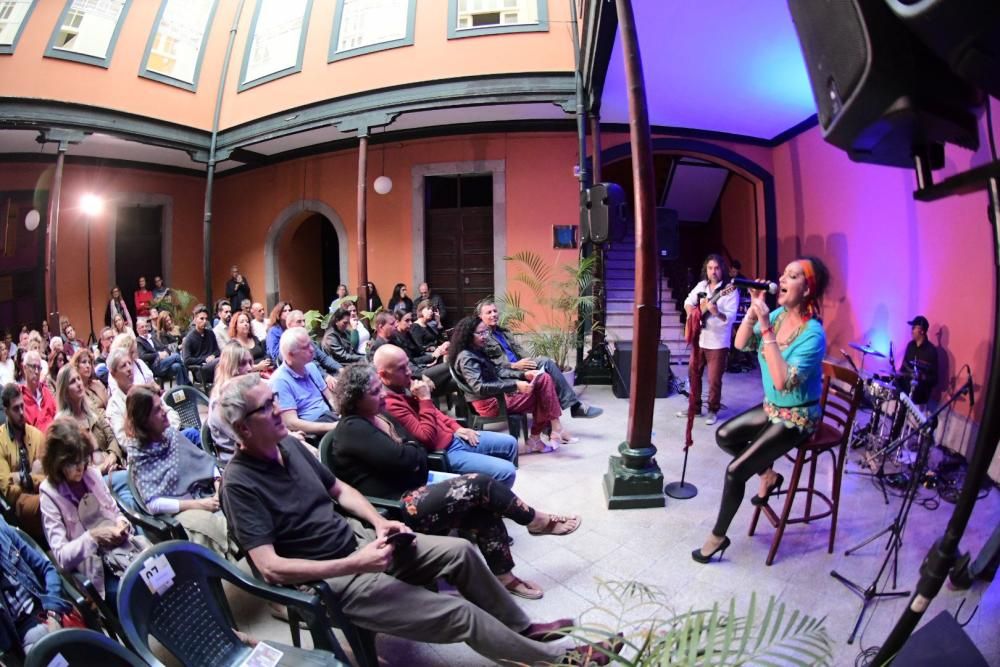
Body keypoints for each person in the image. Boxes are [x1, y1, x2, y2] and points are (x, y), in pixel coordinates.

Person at [216, 373, 619, 666]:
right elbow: (270, 568)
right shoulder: (239, 485)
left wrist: (378, 522)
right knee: (460, 615)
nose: (277, 412)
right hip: (335, 579)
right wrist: (357, 562)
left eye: (274, 401)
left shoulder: (290, 446)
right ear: (240, 428)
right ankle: (556, 660)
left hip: (362, 543)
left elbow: (339, 490)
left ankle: (523, 630)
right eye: (266, 407)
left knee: (460, 551)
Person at [330, 363, 580, 600]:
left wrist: (412, 452)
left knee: (482, 508)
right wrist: (413, 452)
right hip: (396, 507)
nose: (382, 396)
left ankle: (505, 576)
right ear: (355, 398)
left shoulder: (376, 418)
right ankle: (535, 520)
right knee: (479, 484)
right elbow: (412, 454)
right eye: (374, 392)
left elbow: (414, 454)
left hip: (413, 488)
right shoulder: (353, 428)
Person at [693, 257, 829, 564]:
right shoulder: (778, 315)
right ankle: (768, 474)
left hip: (798, 416)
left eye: (792, 276)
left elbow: (782, 382)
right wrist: (755, 314)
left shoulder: (813, 334)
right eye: (783, 272)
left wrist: (765, 326)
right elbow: (741, 344)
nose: (781, 278)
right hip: (773, 407)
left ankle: (717, 537)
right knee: (725, 435)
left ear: (807, 289)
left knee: (735, 471)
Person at [39, 418, 150, 603]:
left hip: (124, 551)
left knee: (165, 571)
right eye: (73, 463)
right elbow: (61, 557)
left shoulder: (91, 474)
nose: (81, 467)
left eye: (83, 459)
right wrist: (94, 537)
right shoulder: (49, 495)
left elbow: (115, 512)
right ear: (57, 463)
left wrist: (122, 524)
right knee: (139, 592)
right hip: (98, 572)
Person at [376, 345, 517, 486]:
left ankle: (493, 495)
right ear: (383, 374)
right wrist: (425, 399)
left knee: (510, 443)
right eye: (401, 368)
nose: (408, 372)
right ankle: (494, 501)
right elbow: (426, 438)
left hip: (453, 436)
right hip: (444, 452)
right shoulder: (389, 404)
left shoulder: (405, 385)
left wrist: (456, 427)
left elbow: (435, 413)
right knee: (506, 472)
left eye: (408, 365)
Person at [127, 387, 234, 559]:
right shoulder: (139, 453)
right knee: (208, 529)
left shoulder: (170, 435)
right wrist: (201, 505)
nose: (164, 412)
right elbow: (153, 504)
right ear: (144, 420)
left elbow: (204, 461)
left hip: (206, 493)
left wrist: (217, 482)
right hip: (183, 509)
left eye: (161, 405)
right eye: (157, 410)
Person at [450, 316, 571, 452]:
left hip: (497, 395)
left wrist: (523, 374)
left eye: (486, 332)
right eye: (480, 333)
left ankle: (545, 433)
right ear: (468, 335)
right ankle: (544, 433)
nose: (485, 336)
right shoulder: (467, 358)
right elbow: (479, 387)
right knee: (544, 388)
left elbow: (497, 370)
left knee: (543, 380)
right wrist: (515, 385)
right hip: (491, 403)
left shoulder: (476, 350)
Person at [476, 299, 602, 419]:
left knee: (547, 364)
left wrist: (531, 361)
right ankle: (573, 408)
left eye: (495, 311)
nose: (494, 314)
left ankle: (558, 419)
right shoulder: (482, 338)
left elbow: (519, 350)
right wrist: (513, 365)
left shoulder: (503, 331)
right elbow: (490, 365)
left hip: (521, 366)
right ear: (480, 316)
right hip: (508, 372)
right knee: (546, 366)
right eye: (489, 312)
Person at [53, 365, 130, 503]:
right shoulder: (62, 424)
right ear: (64, 391)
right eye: (72, 381)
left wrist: (112, 456)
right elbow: (73, 468)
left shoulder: (92, 410)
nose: (78, 383)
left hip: (112, 468)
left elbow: (111, 437)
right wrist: (101, 469)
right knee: (129, 478)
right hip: (89, 483)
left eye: (78, 379)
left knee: (128, 500)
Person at [678, 254, 739, 426]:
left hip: (718, 342)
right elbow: (687, 301)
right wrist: (692, 314)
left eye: (717, 268)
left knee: (714, 379)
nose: (713, 271)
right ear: (706, 269)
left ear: (722, 270)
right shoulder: (701, 285)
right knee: (693, 373)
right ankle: (695, 408)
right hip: (700, 339)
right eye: (710, 268)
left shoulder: (729, 290)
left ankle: (713, 410)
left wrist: (715, 312)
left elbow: (730, 317)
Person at [0, 516, 72, 656]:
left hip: (47, 609)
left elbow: (47, 569)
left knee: (87, 651)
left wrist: (53, 613)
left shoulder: (2, 529)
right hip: (23, 635)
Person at [270, 328, 339, 439]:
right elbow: (291, 423)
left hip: (330, 419)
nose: (312, 349)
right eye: (305, 347)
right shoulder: (279, 381)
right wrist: (331, 427)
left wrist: (342, 414)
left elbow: (330, 398)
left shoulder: (310, 366)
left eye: (310, 344)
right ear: (290, 354)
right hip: (312, 433)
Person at [0, 384, 47, 541]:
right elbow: (8, 491)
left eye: (22, 406)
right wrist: (34, 476)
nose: (21, 413)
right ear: (6, 411)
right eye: (15, 409)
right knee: (50, 500)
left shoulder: (37, 435)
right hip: (19, 504)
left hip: (43, 492)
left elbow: (48, 477)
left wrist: (21, 477)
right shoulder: (0, 441)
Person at [896, 315, 939, 405]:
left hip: (921, 391)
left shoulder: (931, 351)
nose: (911, 331)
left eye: (914, 328)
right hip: (906, 384)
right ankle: (898, 416)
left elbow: (934, 379)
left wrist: (922, 377)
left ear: (922, 331)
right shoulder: (910, 345)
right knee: (892, 383)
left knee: (907, 391)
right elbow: (903, 368)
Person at [136, 317, 190, 385]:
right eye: (142, 327)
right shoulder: (138, 341)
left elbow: (165, 347)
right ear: (137, 330)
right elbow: (142, 356)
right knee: (176, 356)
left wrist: (166, 352)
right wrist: (158, 354)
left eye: (146, 326)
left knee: (177, 366)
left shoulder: (152, 337)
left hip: (164, 363)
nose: (145, 328)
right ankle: (188, 384)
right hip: (154, 367)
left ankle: (183, 391)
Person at [182, 304, 221, 385]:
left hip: (215, 366)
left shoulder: (210, 333)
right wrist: (205, 359)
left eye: (206, 319)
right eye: (201, 319)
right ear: (195, 319)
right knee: (223, 360)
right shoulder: (189, 338)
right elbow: (187, 360)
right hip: (200, 371)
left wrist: (213, 356)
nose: (204, 321)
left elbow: (217, 351)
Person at [19, 351, 56, 434]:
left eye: (39, 368)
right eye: (33, 367)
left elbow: (56, 414)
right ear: (24, 368)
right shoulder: (20, 396)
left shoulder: (45, 391)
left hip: (54, 439)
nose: (36, 371)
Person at [228, 310, 272, 375]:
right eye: (242, 322)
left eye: (247, 321)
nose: (246, 324)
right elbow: (235, 368)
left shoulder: (255, 338)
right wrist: (257, 367)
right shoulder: (233, 345)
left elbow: (264, 354)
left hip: (264, 372)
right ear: (235, 326)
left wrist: (267, 360)